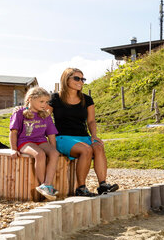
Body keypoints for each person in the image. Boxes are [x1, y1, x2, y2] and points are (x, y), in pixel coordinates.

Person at [50, 67, 118, 197]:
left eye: (82, 79)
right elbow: (43, 116)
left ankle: (103, 185)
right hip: (63, 138)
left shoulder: (87, 99)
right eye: (77, 78)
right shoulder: (55, 98)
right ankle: (81, 188)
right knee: (86, 150)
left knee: (98, 146)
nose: (81, 81)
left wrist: (94, 136)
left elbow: (91, 121)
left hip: (83, 136)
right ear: (66, 79)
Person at [9, 86, 60, 201]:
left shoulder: (46, 115)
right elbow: (13, 132)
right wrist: (13, 148)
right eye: (41, 101)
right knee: (39, 154)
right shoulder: (20, 113)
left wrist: (53, 150)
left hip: (40, 140)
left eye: (46, 102)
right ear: (30, 99)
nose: (44, 104)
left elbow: (51, 134)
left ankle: (47, 184)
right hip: (24, 142)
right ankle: (44, 185)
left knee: (55, 154)